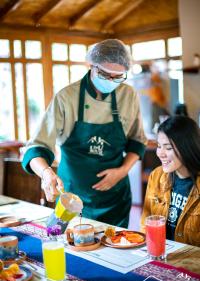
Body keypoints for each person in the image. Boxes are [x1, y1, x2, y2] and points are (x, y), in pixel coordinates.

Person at [22, 39, 147, 228]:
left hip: (115, 197)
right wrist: (47, 173)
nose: (112, 81)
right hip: (70, 198)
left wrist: (122, 171)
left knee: (115, 253)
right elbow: (37, 147)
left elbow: (137, 141)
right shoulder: (66, 97)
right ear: (92, 66)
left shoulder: (128, 95)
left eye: (118, 76)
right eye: (105, 74)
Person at [141, 116, 200, 247]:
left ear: (187, 147)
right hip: (159, 256)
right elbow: (146, 224)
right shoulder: (156, 176)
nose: (160, 153)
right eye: (159, 146)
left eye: (168, 148)